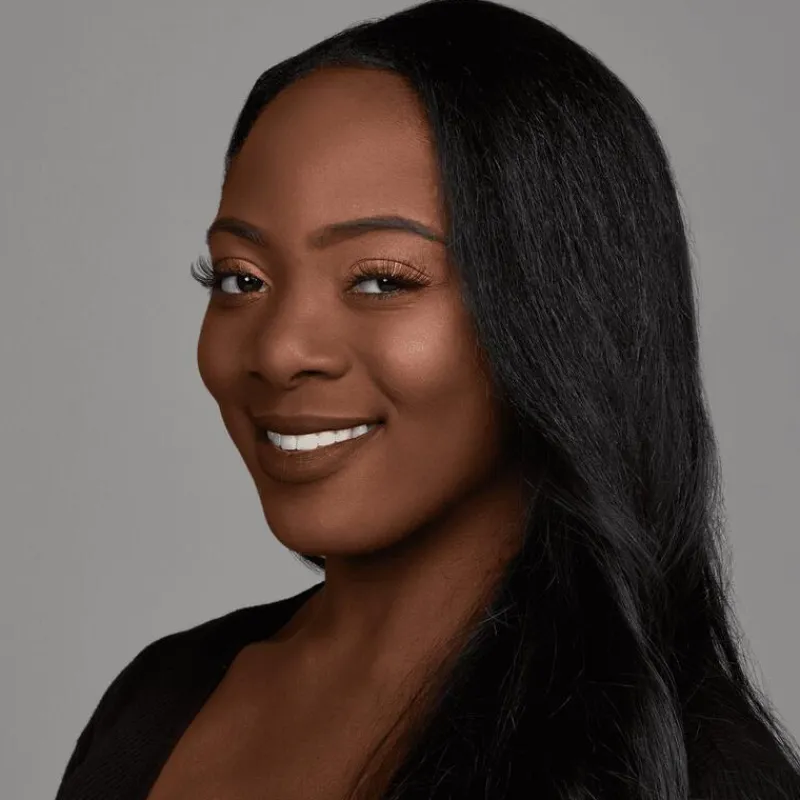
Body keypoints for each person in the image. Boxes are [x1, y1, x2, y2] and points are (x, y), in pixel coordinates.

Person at [54, 1, 800, 799]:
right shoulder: (158, 699)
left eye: (380, 280)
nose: (278, 352)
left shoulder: (685, 773)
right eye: (241, 279)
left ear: (560, 315)